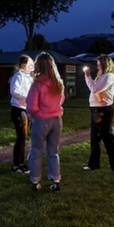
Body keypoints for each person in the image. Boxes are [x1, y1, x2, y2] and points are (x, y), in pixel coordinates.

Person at [26, 52, 65, 191]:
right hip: (57, 120)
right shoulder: (58, 83)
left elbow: (31, 106)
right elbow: (61, 99)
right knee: (53, 151)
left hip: (42, 120)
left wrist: (34, 114)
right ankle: (56, 179)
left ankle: (35, 181)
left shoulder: (37, 83)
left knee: (36, 151)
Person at [82, 55, 114, 174]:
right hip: (96, 109)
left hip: (102, 110)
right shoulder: (101, 76)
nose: (97, 67)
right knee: (95, 139)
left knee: (109, 139)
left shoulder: (109, 77)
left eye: (99, 64)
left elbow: (95, 89)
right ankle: (93, 164)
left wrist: (87, 76)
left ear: (105, 65)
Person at [9, 55, 34, 173]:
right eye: (30, 63)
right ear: (23, 64)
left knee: (23, 137)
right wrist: (28, 96)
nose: (32, 66)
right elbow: (14, 91)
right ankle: (16, 165)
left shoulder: (29, 77)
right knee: (21, 137)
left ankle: (21, 163)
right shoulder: (18, 76)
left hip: (25, 109)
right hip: (19, 109)